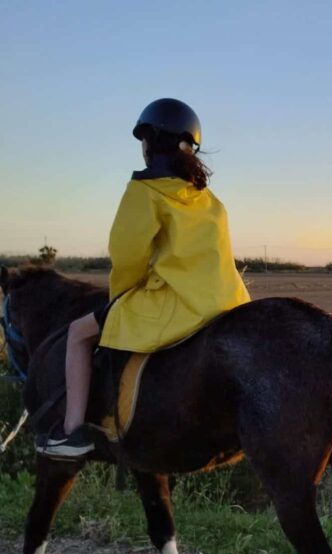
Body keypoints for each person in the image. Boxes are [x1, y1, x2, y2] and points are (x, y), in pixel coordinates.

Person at [37, 98, 250, 459]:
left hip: (178, 306)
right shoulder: (207, 197)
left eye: (143, 140)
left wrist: (119, 301)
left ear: (150, 140)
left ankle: (72, 433)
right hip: (230, 303)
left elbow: (127, 259)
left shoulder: (144, 191)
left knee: (78, 334)